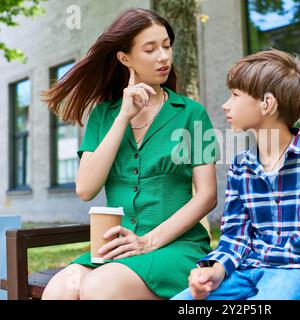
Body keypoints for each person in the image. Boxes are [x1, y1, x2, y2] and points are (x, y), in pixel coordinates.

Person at [41, 8, 219, 300]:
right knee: (59, 291)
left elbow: (207, 196)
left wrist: (148, 241)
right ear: (125, 58)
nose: (163, 56)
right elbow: (85, 189)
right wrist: (122, 117)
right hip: (116, 248)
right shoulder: (103, 115)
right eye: (150, 49)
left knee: (100, 288)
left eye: (166, 46)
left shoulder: (192, 114)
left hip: (175, 247)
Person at [172, 49, 300, 300]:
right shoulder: (241, 166)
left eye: (235, 95)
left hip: (294, 272)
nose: (226, 104)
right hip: (246, 273)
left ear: (267, 103)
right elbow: (234, 238)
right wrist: (215, 270)